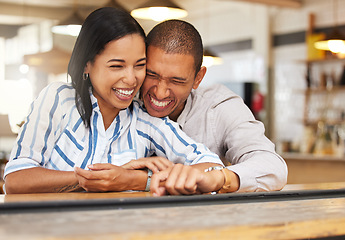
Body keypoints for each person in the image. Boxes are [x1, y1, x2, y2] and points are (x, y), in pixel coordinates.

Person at [3, 7, 225, 194]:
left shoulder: (145, 120)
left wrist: (134, 180)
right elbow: (15, 180)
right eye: (116, 66)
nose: (131, 79)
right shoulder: (59, 99)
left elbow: (213, 167)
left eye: (139, 65)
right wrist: (102, 177)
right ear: (87, 64)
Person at [140, 20, 288, 195]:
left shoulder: (218, 107)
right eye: (151, 74)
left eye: (177, 81)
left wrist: (219, 178)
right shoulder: (122, 102)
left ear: (198, 78)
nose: (160, 92)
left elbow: (273, 166)